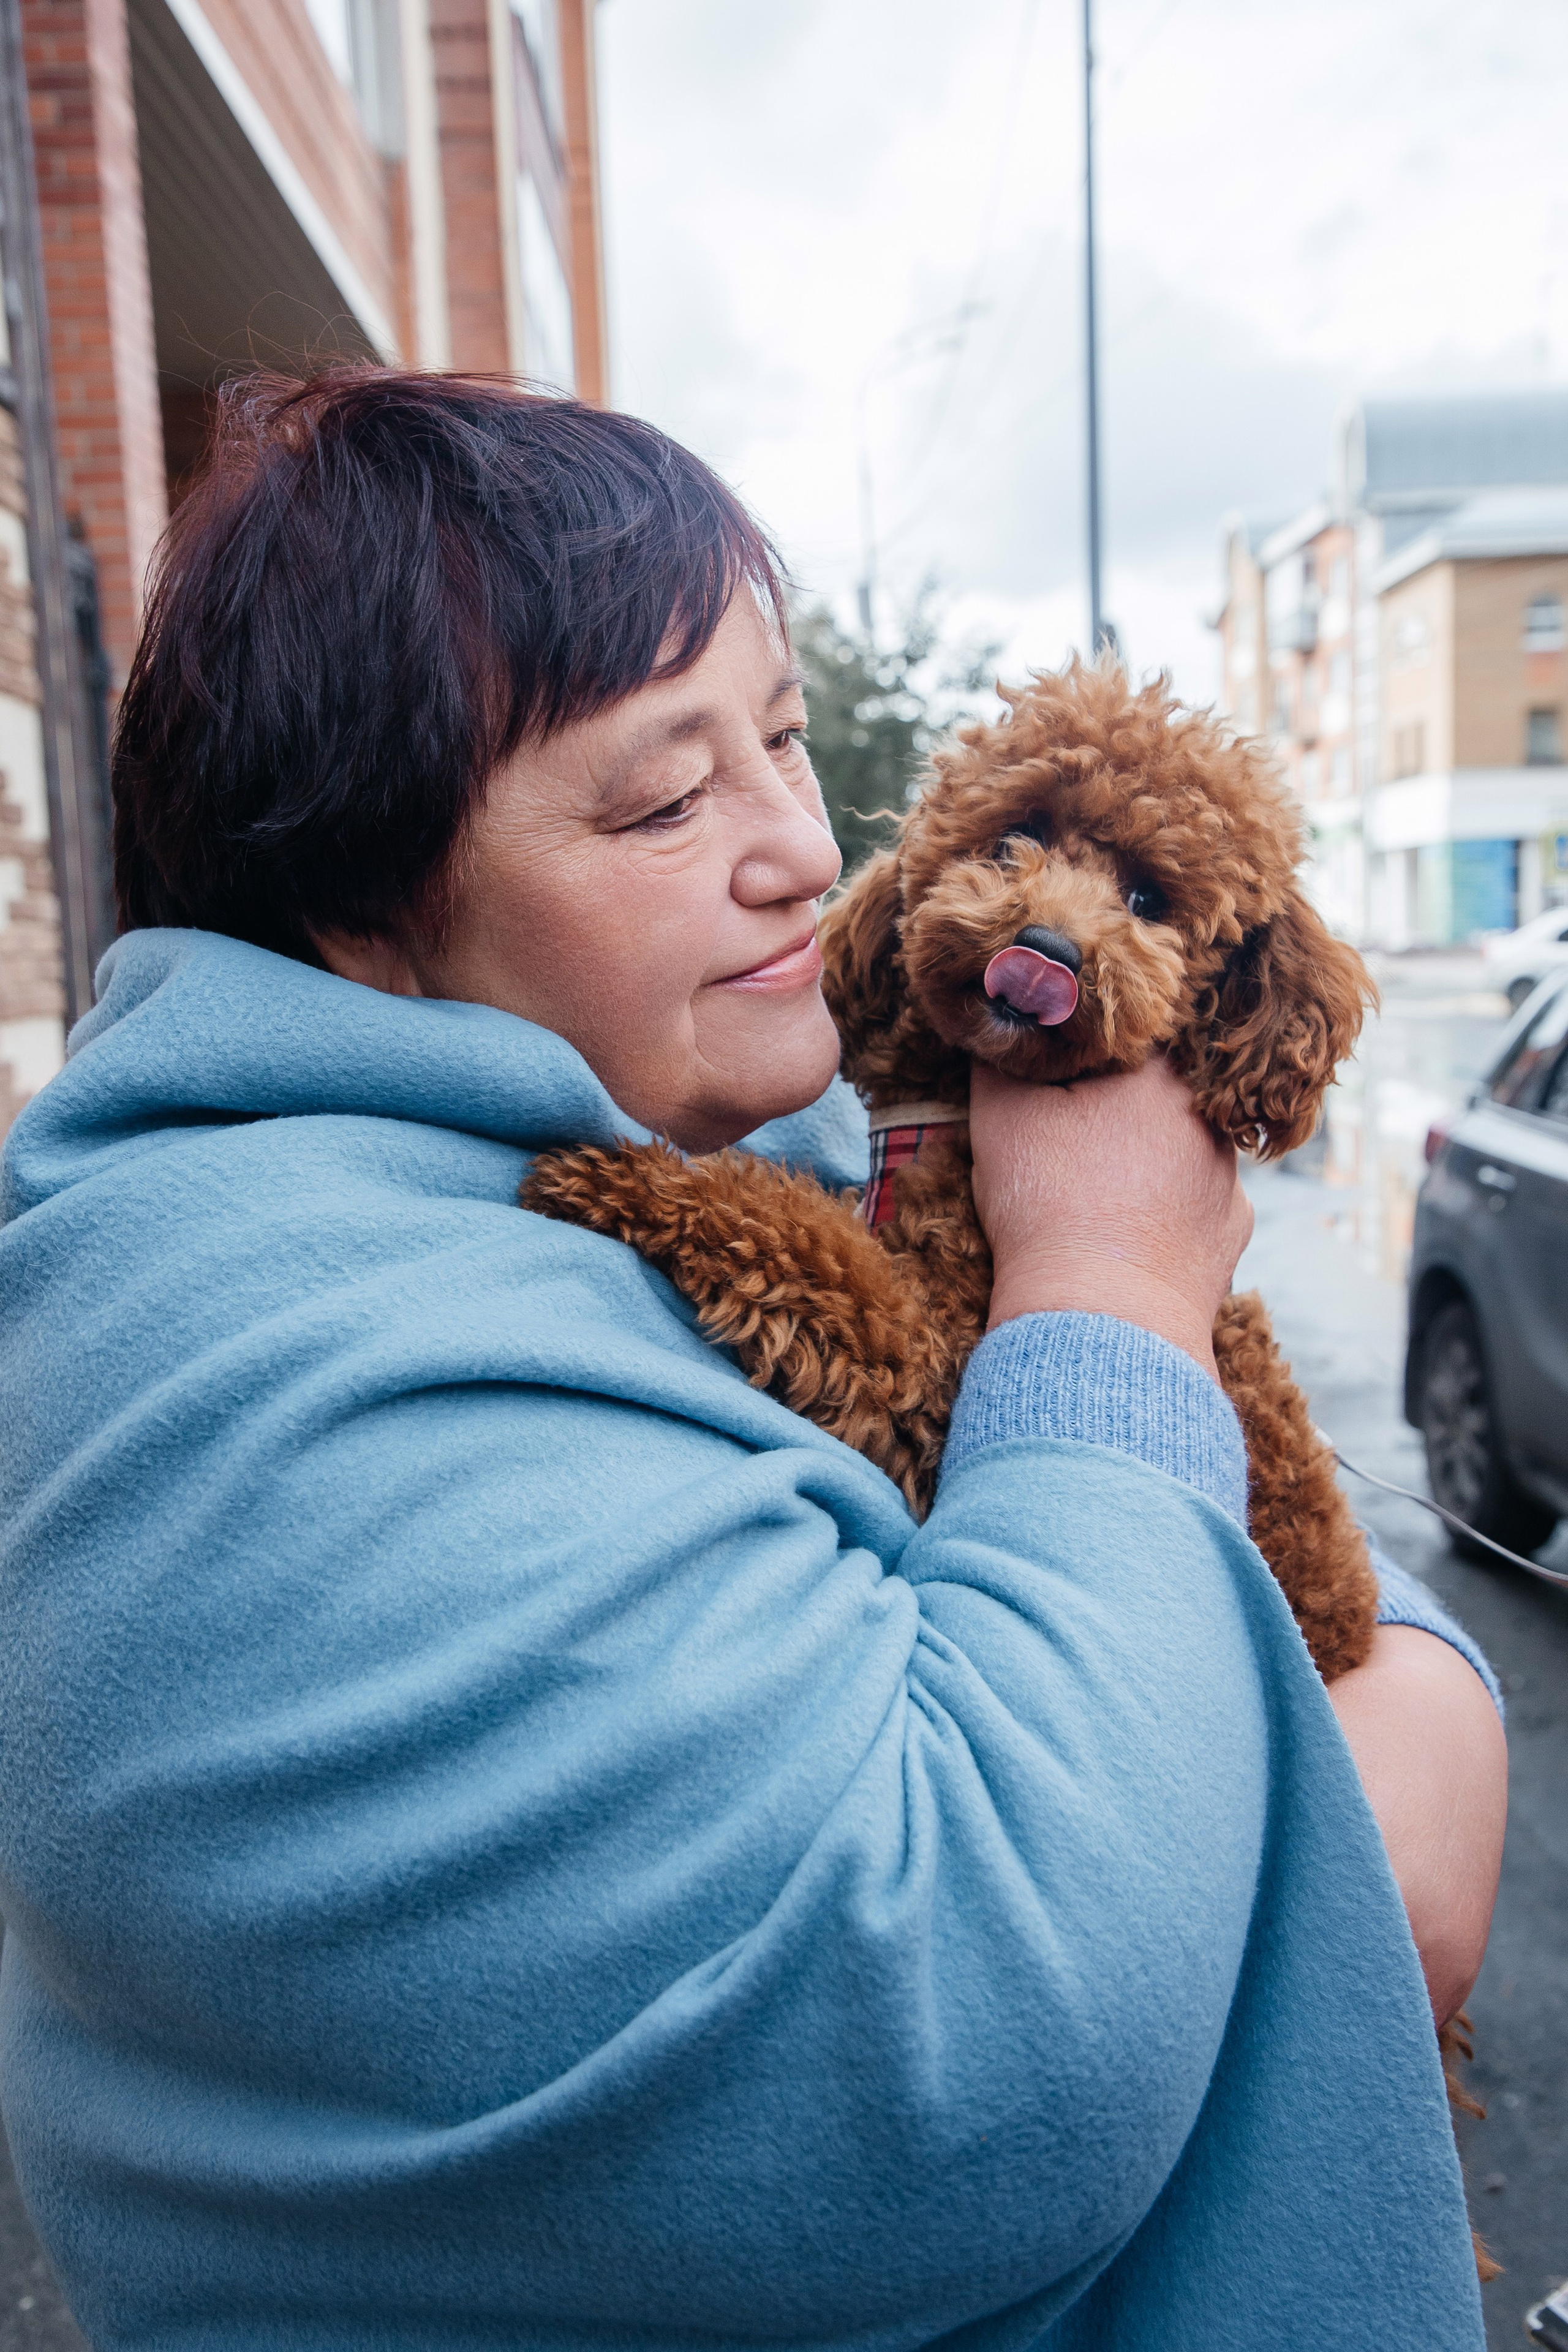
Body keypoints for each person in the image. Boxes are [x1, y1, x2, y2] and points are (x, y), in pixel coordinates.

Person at [0, 371, 1504, 2351]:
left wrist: (1360, 1683)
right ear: (357, 912)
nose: (800, 842)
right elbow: (1002, 2035)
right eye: (660, 797)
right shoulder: (255, 1353)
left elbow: (1302, 1642)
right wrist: (1115, 1292)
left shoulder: (690, 1126)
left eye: (783, 738)